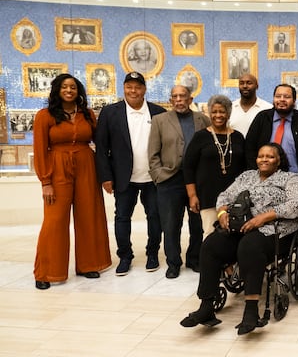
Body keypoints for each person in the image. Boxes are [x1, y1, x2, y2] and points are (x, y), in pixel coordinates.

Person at [179, 143, 298, 335]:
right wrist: (222, 212)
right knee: (210, 245)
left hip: (274, 231)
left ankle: (251, 311)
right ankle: (207, 306)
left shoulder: (290, 179)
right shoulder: (246, 176)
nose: (264, 159)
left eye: (270, 156)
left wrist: (264, 217)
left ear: (279, 160)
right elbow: (225, 195)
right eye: (261, 156)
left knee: (250, 246)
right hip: (241, 227)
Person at [32, 73, 112, 290]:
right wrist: (45, 182)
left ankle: (89, 265)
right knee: (55, 220)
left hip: (86, 165)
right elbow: (40, 150)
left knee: (89, 216)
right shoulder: (45, 116)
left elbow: (101, 142)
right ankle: (46, 272)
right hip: (57, 168)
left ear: (78, 92)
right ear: (57, 90)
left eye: (73, 87)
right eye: (65, 87)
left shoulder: (87, 115)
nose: (69, 90)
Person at [95, 72, 166, 276]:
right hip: (123, 178)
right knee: (122, 218)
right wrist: (105, 177)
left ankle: (152, 254)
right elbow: (102, 147)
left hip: (152, 178)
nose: (133, 91)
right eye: (129, 87)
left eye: (137, 87)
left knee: (155, 217)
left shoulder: (158, 112)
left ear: (144, 90)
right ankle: (125, 257)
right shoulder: (110, 113)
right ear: (124, 88)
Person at [148, 85, 210, 278]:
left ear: (190, 99)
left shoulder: (203, 119)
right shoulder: (160, 120)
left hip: (197, 181)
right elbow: (152, 152)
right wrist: (158, 175)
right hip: (170, 180)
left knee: (197, 223)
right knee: (171, 224)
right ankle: (173, 263)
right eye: (174, 96)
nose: (178, 100)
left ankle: (195, 258)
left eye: (183, 96)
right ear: (170, 100)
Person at [183, 94, 246, 240]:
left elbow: (245, 168)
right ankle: (211, 263)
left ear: (228, 114)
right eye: (214, 112)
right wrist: (192, 195)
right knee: (211, 235)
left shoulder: (238, 137)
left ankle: (231, 263)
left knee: (235, 234)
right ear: (209, 113)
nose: (218, 115)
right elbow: (188, 167)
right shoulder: (200, 137)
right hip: (208, 196)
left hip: (235, 197)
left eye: (222, 111)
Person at [245, 83, 298, 179]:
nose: (282, 99)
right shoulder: (262, 118)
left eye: (287, 97)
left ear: (294, 101)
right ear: (273, 99)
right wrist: (255, 175)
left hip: (295, 179)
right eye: (278, 96)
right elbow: (249, 148)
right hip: (263, 179)